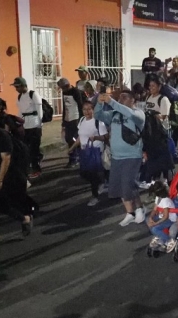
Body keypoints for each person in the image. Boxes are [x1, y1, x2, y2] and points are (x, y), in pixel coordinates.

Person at [94, 91, 146, 227]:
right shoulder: (114, 114)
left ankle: (140, 209)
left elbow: (129, 113)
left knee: (128, 183)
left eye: (125, 97)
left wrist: (111, 102)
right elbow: (98, 115)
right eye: (120, 97)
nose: (121, 99)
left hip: (132, 155)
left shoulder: (138, 114)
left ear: (133, 100)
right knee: (120, 186)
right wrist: (100, 103)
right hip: (117, 157)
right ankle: (130, 212)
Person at [0, 122, 33, 242]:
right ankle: (24, 219)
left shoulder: (1, 135)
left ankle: (24, 218)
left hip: (4, 175)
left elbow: (6, 158)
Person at [68, 101, 108, 207]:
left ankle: (95, 196)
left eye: (89, 109)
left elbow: (105, 137)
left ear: (93, 109)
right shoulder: (81, 120)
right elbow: (80, 137)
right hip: (85, 151)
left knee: (92, 174)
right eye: (84, 109)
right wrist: (72, 148)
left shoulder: (98, 122)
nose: (87, 112)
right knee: (84, 173)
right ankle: (102, 181)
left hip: (95, 151)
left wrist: (95, 137)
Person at [11, 77, 43, 178]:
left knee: (34, 147)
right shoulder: (20, 96)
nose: (16, 89)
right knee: (26, 147)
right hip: (25, 125)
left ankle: (36, 168)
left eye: (17, 86)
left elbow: (39, 108)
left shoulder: (33, 94)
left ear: (23, 85)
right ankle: (32, 164)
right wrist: (18, 123)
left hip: (34, 124)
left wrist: (40, 122)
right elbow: (21, 111)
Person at [57, 77, 85, 168]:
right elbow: (65, 107)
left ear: (67, 85)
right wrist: (63, 121)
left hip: (75, 118)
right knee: (68, 138)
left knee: (75, 139)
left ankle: (77, 158)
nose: (62, 90)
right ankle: (73, 158)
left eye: (63, 87)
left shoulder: (75, 92)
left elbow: (80, 106)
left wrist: (81, 120)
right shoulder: (64, 92)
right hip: (68, 118)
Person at [147, 182, 178, 253]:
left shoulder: (165, 200)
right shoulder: (158, 198)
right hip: (161, 217)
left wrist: (155, 223)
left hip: (170, 220)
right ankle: (159, 236)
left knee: (155, 229)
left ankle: (169, 240)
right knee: (147, 221)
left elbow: (166, 216)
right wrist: (151, 218)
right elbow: (155, 209)